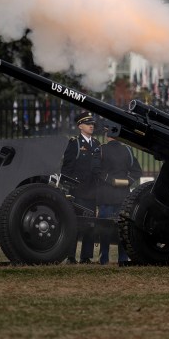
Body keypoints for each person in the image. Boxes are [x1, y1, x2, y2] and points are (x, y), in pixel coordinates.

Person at [95, 123, 140, 265]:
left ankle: (104, 259)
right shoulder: (127, 150)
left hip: (106, 195)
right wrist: (126, 181)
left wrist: (110, 180)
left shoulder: (101, 149)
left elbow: (96, 170)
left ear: (107, 135)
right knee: (123, 230)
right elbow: (137, 171)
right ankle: (122, 259)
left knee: (105, 229)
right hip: (123, 196)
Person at [61, 111, 101, 263]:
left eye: (92, 124)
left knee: (90, 225)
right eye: (88, 124)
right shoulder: (74, 143)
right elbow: (66, 169)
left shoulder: (97, 144)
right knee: (75, 224)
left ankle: (86, 256)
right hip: (77, 192)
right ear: (80, 126)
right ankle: (71, 256)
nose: (91, 126)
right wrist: (68, 189)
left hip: (92, 192)